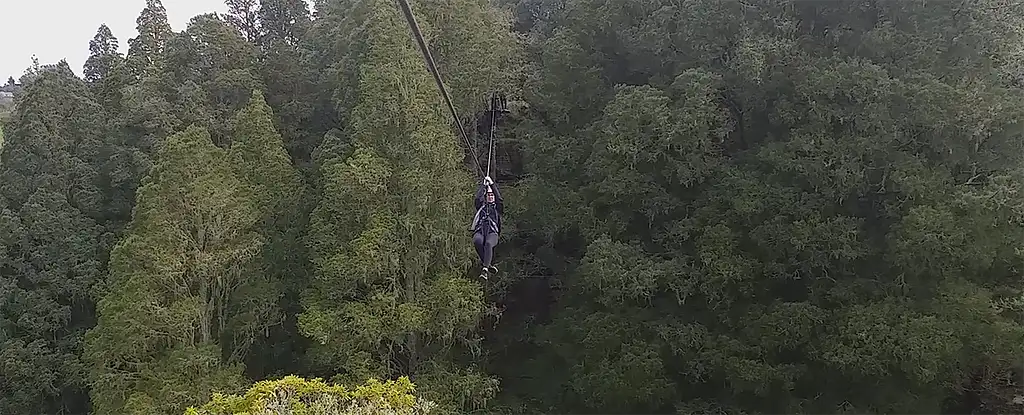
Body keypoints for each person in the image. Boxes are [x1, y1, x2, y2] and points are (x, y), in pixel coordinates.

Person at [470, 176, 503, 276]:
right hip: (480, 231)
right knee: (477, 241)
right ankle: (488, 264)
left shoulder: (497, 208)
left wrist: (492, 184)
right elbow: (477, 199)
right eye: (488, 195)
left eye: (492, 195)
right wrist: (483, 186)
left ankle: (485, 268)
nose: (491, 197)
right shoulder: (481, 207)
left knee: (488, 244)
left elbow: (499, 199)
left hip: (492, 233)